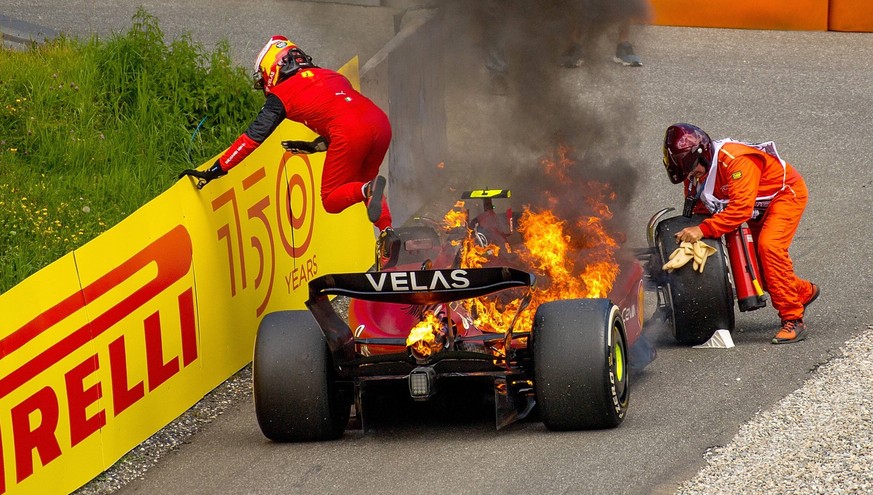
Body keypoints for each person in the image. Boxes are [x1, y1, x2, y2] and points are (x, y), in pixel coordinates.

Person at [182, 35, 400, 270]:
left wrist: (217, 169)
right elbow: (342, 112)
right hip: (380, 123)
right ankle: (387, 233)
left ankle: (367, 189)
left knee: (332, 199)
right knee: (361, 187)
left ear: (273, 69)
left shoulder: (281, 95)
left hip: (349, 133)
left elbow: (252, 138)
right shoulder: (332, 75)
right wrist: (316, 146)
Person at [662, 123, 819, 344]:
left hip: (783, 196)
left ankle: (793, 318)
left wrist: (703, 230)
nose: (691, 177)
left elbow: (740, 210)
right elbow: (700, 210)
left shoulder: (735, 161)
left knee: (769, 247)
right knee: (756, 268)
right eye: (687, 174)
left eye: (693, 171)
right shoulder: (694, 171)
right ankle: (802, 293)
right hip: (755, 207)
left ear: (704, 156)